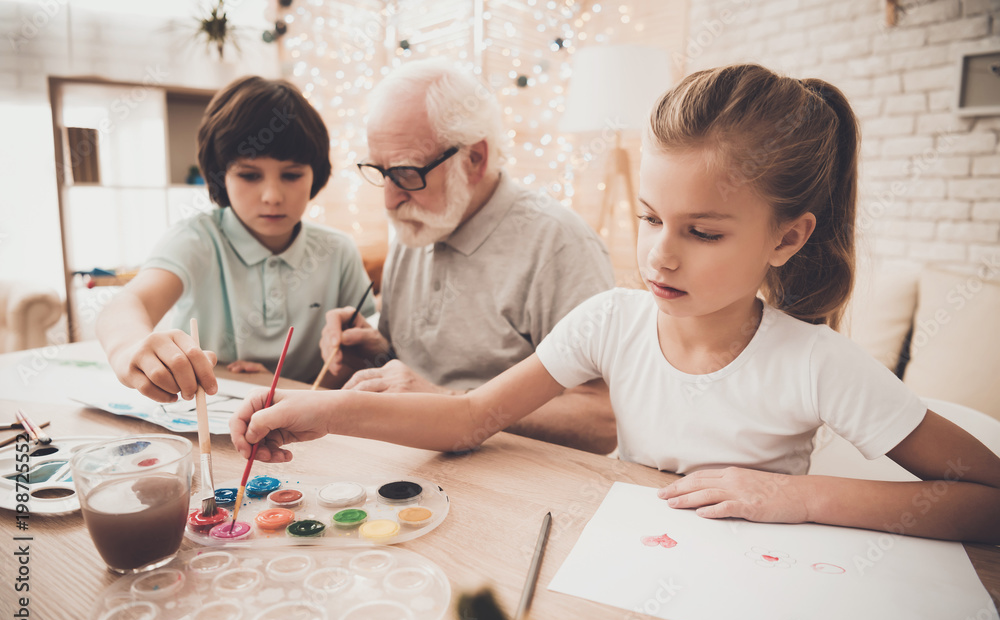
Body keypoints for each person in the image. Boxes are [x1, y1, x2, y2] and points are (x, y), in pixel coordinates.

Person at [230, 63, 1000, 543]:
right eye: (651, 219)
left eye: (701, 231)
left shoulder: (818, 362)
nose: (661, 253)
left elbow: (987, 502)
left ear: (787, 238)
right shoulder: (612, 322)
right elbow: (468, 417)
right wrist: (319, 412)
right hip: (626, 560)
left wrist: (791, 495)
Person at [315, 59, 617, 453]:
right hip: (403, 461)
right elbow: (416, 370)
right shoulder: (418, 220)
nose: (390, 199)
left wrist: (449, 404)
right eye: (380, 171)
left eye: (407, 173)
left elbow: (601, 419)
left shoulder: (559, 244)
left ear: (474, 159)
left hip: (510, 480)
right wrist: (375, 353)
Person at [98, 76, 375, 401]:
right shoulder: (197, 240)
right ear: (220, 175)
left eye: (292, 175)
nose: (272, 196)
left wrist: (295, 380)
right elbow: (126, 305)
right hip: (213, 419)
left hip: (309, 422)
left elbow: (360, 359)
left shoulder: (337, 251)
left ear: (316, 174)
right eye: (249, 175)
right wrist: (128, 348)